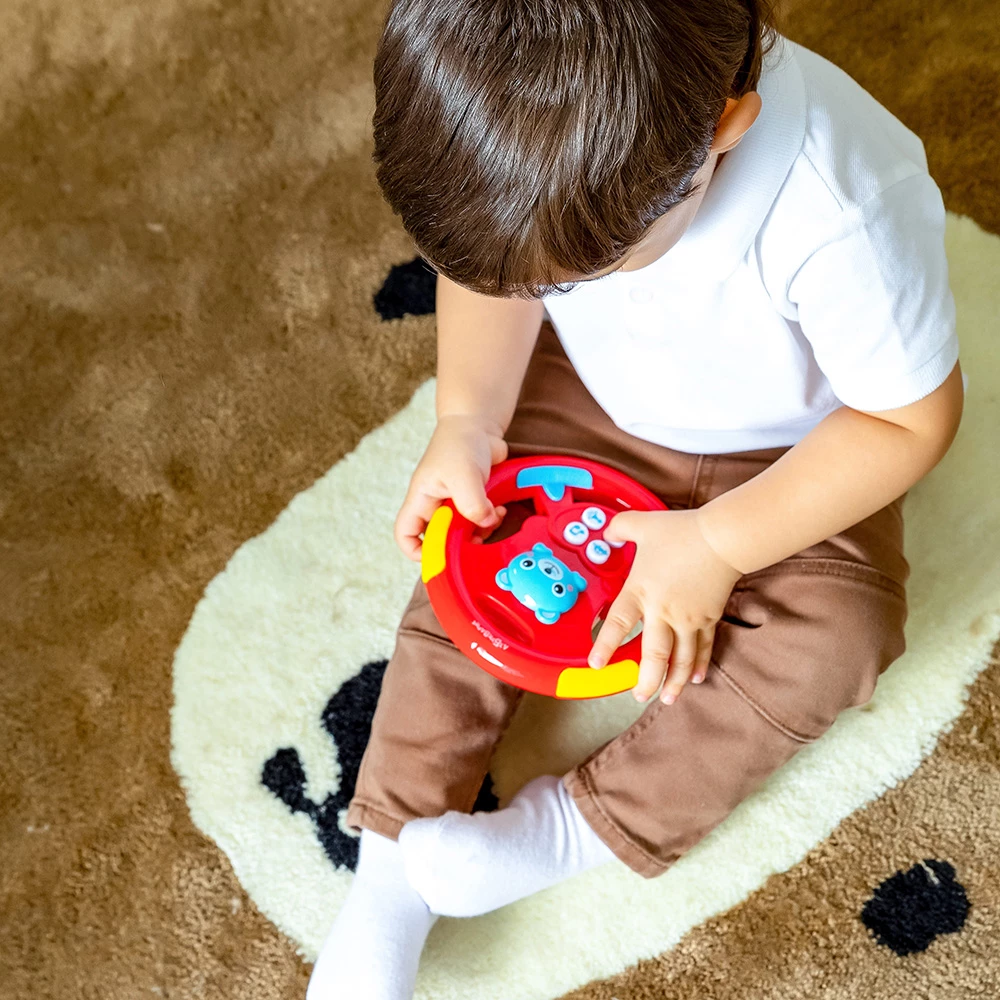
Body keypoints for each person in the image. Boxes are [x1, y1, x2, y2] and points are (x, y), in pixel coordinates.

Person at [307, 1, 965, 996]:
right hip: (593, 403)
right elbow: (493, 274)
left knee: (840, 632)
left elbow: (908, 422)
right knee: (474, 555)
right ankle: (392, 864)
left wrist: (718, 543)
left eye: (581, 272)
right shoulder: (530, 161)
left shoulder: (840, 204)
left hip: (789, 455)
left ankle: (566, 828)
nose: (547, 287)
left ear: (721, 137)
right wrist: (469, 423)